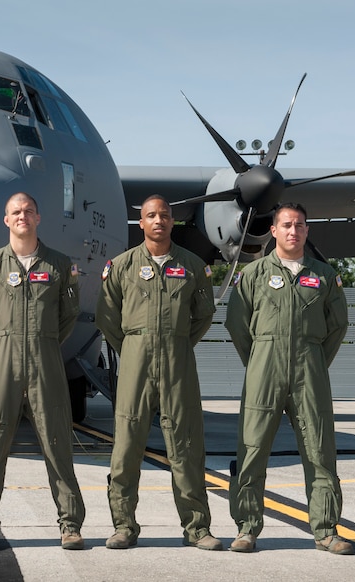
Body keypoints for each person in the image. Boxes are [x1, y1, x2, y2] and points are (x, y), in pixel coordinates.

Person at [225, 202, 353, 554]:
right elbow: (237, 324)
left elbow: (337, 325)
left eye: (299, 225)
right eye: (286, 225)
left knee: (320, 451)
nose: (293, 231)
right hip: (263, 369)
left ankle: (326, 530)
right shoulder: (252, 275)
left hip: (309, 371)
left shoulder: (324, 276)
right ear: (274, 231)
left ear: (307, 231)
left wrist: (313, 360)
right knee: (252, 450)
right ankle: (247, 528)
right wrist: (259, 361)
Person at [96, 194, 222, 551]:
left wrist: (178, 343)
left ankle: (197, 528)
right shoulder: (121, 266)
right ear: (141, 223)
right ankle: (123, 526)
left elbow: (204, 314)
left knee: (185, 443)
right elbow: (107, 316)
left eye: (165, 215)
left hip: (178, 357)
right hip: (136, 356)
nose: (158, 221)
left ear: (171, 221)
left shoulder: (193, 265)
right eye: (151, 215)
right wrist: (133, 347)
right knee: (126, 444)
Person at [0, 192, 86, 551]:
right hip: (3, 359)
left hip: (45, 359)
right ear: (6, 220)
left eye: (28, 211)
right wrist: (3, 346)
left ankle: (70, 525)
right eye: (16, 212)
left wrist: (43, 341)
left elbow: (69, 314)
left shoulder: (60, 265)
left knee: (57, 442)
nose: (22, 217)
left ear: (38, 218)